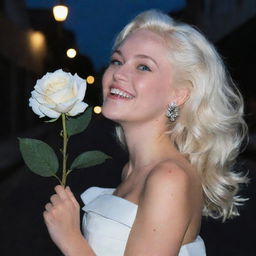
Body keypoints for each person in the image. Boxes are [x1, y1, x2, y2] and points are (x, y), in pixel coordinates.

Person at [43, 10, 248, 256]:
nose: (118, 73)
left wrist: (70, 239)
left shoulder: (169, 177)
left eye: (143, 66)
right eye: (117, 61)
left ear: (179, 94)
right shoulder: (132, 170)